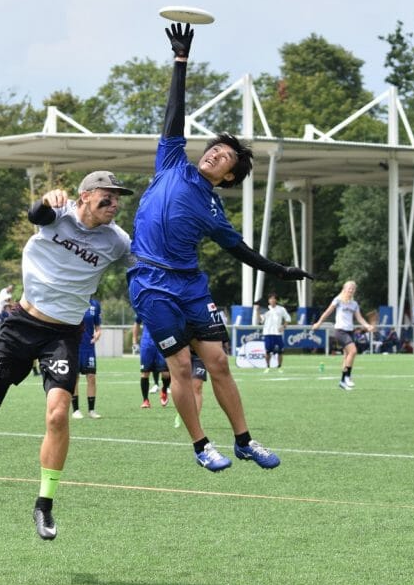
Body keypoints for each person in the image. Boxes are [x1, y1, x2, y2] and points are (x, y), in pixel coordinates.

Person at [128, 23, 313, 473]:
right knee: (180, 367)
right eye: (214, 148)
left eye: (226, 156)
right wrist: (180, 62)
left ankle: (245, 441)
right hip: (151, 282)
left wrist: (282, 270)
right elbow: (175, 115)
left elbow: (242, 251)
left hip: (191, 285)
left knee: (218, 363)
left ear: (230, 176)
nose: (214, 153)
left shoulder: (214, 210)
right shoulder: (172, 160)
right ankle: (200, 446)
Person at [0, 170, 133, 540]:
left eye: (118, 198)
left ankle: (44, 504)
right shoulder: (60, 213)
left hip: (64, 334)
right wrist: (45, 199)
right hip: (22, 324)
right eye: (107, 196)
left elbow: (143, 268)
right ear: (84, 196)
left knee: (57, 414)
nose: (114, 204)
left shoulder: (118, 241)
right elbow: (36, 214)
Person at [310, 280, 375, 390]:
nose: (351, 290)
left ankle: (342, 382)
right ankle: (347, 377)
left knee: (347, 356)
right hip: (340, 331)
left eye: (353, 289)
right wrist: (319, 323)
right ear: (344, 289)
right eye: (349, 288)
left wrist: (367, 326)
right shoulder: (338, 300)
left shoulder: (354, 304)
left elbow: (359, 318)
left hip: (349, 331)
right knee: (353, 351)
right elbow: (327, 312)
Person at [71, 297, 102, 420]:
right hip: (74, 346)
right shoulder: (72, 300)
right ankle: (76, 410)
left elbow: (98, 327)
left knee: (91, 377)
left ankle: (91, 410)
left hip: (89, 347)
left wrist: (98, 334)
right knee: (75, 378)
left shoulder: (95, 304)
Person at [133, 317, 169, 408]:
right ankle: (145, 400)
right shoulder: (142, 305)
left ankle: (164, 390)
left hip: (162, 341)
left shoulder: (164, 304)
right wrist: (134, 342)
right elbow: (136, 323)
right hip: (147, 344)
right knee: (145, 373)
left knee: (166, 374)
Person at [255, 293, 291, 371]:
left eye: (274, 298)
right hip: (268, 333)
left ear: (276, 300)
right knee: (268, 351)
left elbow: (288, 318)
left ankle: (279, 367)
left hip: (278, 333)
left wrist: (283, 326)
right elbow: (261, 320)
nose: (272, 300)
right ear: (268, 300)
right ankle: (267, 366)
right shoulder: (265, 309)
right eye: (271, 299)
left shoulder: (281, 309)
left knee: (280, 351)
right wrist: (257, 311)